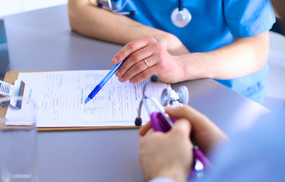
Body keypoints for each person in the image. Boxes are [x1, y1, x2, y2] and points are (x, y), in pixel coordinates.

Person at [107, 2, 285, 182]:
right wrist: (225, 150)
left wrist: (167, 177)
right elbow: (79, 9)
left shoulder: (268, 150)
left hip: (227, 102)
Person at [68, 0, 275, 103]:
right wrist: (162, 39)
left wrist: (182, 65)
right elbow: (78, 9)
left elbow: (255, 48)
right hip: (145, 90)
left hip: (224, 94)